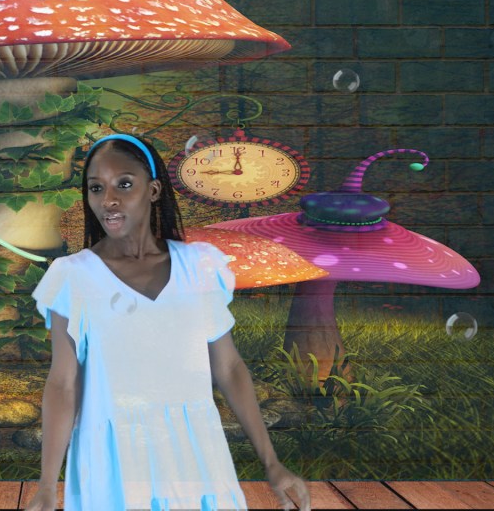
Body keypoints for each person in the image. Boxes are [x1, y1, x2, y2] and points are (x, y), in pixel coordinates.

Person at [26, 134, 311, 511]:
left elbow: (228, 368)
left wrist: (272, 464)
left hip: (198, 456)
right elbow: (63, 383)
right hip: (114, 465)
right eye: (96, 188)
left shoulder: (200, 266)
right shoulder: (72, 276)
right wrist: (47, 486)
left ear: (154, 190)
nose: (108, 200)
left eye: (124, 184)